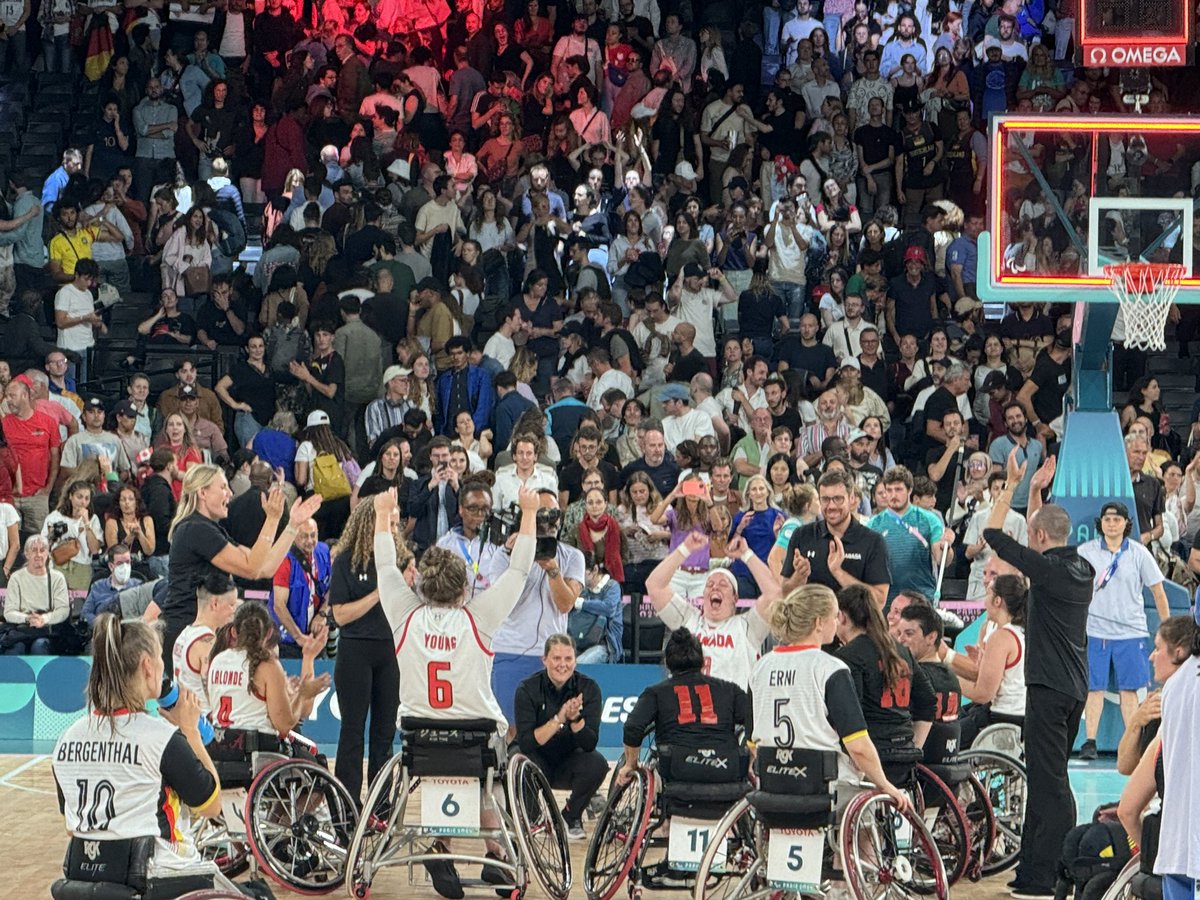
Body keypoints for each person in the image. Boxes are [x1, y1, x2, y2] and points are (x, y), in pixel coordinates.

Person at [371, 486, 539, 896]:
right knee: (490, 780)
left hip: (419, 736)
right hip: (476, 738)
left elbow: (385, 565)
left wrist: (382, 515)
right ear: (464, 588)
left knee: (452, 771)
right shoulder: (478, 617)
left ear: (422, 586)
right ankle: (496, 852)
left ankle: (443, 846)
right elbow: (519, 570)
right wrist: (530, 513)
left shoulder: (405, 615)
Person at [51, 615, 235, 893]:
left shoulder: (66, 739)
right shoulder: (161, 738)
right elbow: (211, 805)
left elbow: (72, 826)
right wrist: (190, 731)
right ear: (148, 665)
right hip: (160, 876)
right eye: (161, 657)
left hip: (85, 878)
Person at [985, 448, 1094, 899]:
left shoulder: (1047, 570)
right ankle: (1031, 871)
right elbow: (1037, 536)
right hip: (1073, 688)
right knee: (1045, 779)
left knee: (1050, 786)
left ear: (1038, 536)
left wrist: (1011, 484)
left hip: (1049, 689)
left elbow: (992, 533)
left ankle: (1052, 875)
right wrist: (1035, 492)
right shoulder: (1080, 566)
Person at [750, 584, 913, 808]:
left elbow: (752, 740)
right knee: (867, 795)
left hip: (772, 785)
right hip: (823, 787)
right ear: (819, 623)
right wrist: (886, 785)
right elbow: (858, 746)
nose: (837, 622)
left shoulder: (760, 667)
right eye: (835, 616)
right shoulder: (830, 668)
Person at [159, 464, 322, 669]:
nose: (230, 493)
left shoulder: (210, 529)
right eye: (223, 487)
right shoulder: (195, 529)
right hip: (188, 632)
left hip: (200, 633)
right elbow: (251, 568)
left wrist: (292, 526)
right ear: (202, 493)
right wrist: (272, 519)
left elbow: (264, 568)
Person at [1076, 501, 1170, 760]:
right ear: (1101, 523)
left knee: (1129, 690)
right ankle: (1090, 742)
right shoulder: (1086, 552)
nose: (1112, 524)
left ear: (1126, 524)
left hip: (1131, 632)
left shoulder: (1139, 553)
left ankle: (1132, 743)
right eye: (1107, 519)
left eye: (1117, 520)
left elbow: (1158, 592)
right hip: (1095, 631)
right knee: (1093, 689)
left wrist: (1167, 630)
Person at [328, 495, 407, 806]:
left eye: (396, 523)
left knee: (385, 734)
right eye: (389, 522)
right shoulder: (345, 561)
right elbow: (340, 615)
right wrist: (379, 592)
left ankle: (381, 805)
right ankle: (348, 804)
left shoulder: (402, 560)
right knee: (351, 732)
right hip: (355, 651)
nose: (394, 529)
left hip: (391, 652)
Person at [645, 531, 779, 689]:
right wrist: (685, 549)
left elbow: (774, 594)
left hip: (733, 703)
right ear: (703, 595)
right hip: (692, 702)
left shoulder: (746, 627)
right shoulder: (689, 620)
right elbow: (654, 586)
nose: (715, 587)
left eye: (723, 584)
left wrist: (746, 554)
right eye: (709, 585)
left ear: (735, 598)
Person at [513, 634, 608, 841]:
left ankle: (570, 816)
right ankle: (535, 819)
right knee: (517, 759)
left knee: (598, 764)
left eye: (568, 659)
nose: (562, 665)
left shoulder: (589, 688)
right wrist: (558, 719)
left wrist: (575, 719)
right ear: (544, 660)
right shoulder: (527, 689)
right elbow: (526, 742)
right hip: (537, 759)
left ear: (575, 660)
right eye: (556, 658)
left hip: (569, 760)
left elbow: (590, 743)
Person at [207, 601, 329, 736]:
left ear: (234, 632)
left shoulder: (217, 661)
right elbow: (284, 726)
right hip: (255, 745)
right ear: (269, 633)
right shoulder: (267, 666)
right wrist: (301, 695)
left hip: (220, 743)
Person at [781, 469, 891, 607]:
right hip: (813, 620)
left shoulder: (873, 541)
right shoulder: (802, 535)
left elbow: (880, 601)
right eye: (825, 499)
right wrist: (799, 577)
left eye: (838, 499)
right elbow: (785, 593)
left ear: (852, 498)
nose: (831, 506)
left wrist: (839, 572)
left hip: (856, 621)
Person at [942, 573, 1028, 748]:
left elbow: (983, 694)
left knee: (939, 742)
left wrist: (949, 680)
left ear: (997, 601)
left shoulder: (1002, 637)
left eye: (987, 594)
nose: (984, 600)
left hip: (1001, 719)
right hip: (1014, 716)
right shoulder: (1018, 632)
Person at [171, 571, 239, 718]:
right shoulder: (207, 643)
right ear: (215, 603)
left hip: (185, 716)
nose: (233, 611)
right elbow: (214, 691)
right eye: (231, 605)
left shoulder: (183, 635)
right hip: (203, 721)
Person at [270, 518, 331, 658]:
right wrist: (298, 637)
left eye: (313, 535)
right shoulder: (284, 560)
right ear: (294, 536)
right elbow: (279, 605)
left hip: (315, 636)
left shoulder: (323, 551)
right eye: (304, 536)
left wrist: (322, 614)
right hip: (288, 640)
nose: (309, 541)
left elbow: (331, 589)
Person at [1, 534, 69, 655]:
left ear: (47, 554)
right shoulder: (16, 578)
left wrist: (44, 619)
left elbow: (63, 610)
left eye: (42, 550)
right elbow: (9, 612)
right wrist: (27, 618)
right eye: (34, 550)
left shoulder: (57, 578)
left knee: (39, 646)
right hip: (20, 630)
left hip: (47, 631)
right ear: (26, 554)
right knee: (15, 648)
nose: (38, 555)